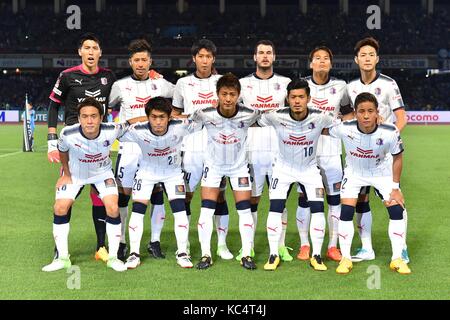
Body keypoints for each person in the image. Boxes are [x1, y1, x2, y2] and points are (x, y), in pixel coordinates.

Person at [46, 33, 116, 263]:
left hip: (98, 143)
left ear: (100, 53)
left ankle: (101, 246)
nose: (90, 52)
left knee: (100, 198)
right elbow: (54, 105)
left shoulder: (108, 77)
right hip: (74, 145)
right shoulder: (67, 76)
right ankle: (61, 251)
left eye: (95, 48)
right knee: (67, 197)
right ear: (80, 52)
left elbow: (122, 95)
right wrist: (51, 140)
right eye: (86, 48)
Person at [323, 92, 410, 275]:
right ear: (355, 113)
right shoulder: (345, 128)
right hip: (355, 174)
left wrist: (395, 188)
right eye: (361, 111)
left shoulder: (390, 131)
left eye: (370, 111)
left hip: (381, 173)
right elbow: (323, 130)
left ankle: (397, 258)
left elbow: (398, 158)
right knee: (346, 211)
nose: (366, 115)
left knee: (397, 209)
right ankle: (346, 258)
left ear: (377, 112)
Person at [42, 98, 129, 272]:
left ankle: (113, 258)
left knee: (112, 208)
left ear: (101, 117)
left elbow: (131, 125)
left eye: (94, 116)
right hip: (76, 174)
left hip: (102, 174)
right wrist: (66, 174)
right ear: (79, 118)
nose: (89, 121)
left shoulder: (113, 129)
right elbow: (63, 151)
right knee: (60, 207)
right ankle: (62, 258)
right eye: (85, 116)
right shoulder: (68, 133)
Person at [258, 78, 335, 271]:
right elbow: (255, 119)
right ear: (287, 98)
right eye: (293, 97)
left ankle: (316, 255)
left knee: (318, 209)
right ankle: (273, 254)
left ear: (308, 98)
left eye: (301, 97)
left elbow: (341, 127)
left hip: (310, 170)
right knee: (275, 209)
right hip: (282, 170)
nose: (297, 101)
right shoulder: (275, 116)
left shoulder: (321, 117)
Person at [109, 39, 175, 261]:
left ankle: (154, 242)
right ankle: (122, 242)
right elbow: (106, 107)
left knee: (156, 195)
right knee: (123, 196)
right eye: (136, 60)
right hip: (128, 149)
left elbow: (181, 98)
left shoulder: (162, 85)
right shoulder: (120, 86)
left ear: (150, 62)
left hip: (154, 149)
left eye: (144, 60)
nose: (140, 63)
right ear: (130, 62)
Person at [189, 73, 261, 270]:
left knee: (245, 210)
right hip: (213, 167)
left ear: (238, 95)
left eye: (232, 94)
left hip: (239, 168)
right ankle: (206, 254)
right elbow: (185, 123)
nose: (228, 98)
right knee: (206, 210)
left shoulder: (250, 113)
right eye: (224, 94)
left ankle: (247, 253)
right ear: (217, 95)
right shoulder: (204, 113)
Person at [346, 37, 409, 263]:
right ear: (356, 60)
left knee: (394, 197)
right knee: (361, 201)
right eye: (363, 55)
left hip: (384, 157)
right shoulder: (350, 88)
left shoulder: (389, 84)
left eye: (371, 55)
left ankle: (401, 248)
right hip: (359, 156)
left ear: (377, 59)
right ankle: (366, 247)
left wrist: (390, 137)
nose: (367, 58)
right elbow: (346, 118)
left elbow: (401, 117)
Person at [172, 39, 233, 260]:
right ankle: (185, 242)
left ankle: (222, 245)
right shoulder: (183, 84)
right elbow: (175, 115)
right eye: (201, 56)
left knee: (219, 196)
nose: (204, 60)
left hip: (218, 148)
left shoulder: (222, 82)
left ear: (213, 59)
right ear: (194, 58)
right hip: (191, 148)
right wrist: (192, 117)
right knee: (186, 195)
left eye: (208, 56)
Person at [120, 97, 195, 269]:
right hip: (146, 173)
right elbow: (119, 130)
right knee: (138, 211)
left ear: (169, 117)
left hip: (173, 174)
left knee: (180, 211)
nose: (158, 122)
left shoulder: (181, 126)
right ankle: (134, 254)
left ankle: (182, 252)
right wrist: (140, 119)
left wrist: (179, 117)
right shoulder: (138, 130)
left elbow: (200, 119)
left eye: (162, 117)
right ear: (148, 117)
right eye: (153, 117)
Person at [295, 46, 353, 262]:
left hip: (332, 151)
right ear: (310, 63)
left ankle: (332, 246)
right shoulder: (301, 85)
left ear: (331, 63)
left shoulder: (341, 87)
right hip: (306, 151)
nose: (321, 61)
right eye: (317, 58)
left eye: (325, 58)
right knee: (305, 199)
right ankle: (304, 244)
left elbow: (348, 115)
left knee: (334, 199)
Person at [238, 40, 292, 262]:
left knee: (279, 199)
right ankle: (247, 247)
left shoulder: (286, 83)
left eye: (269, 52)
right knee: (252, 199)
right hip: (251, 149)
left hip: (279, 148)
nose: (265, 56)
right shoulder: (242, 84)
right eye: (261, 53)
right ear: (254, 57)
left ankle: (281, 246)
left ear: (274, 56)